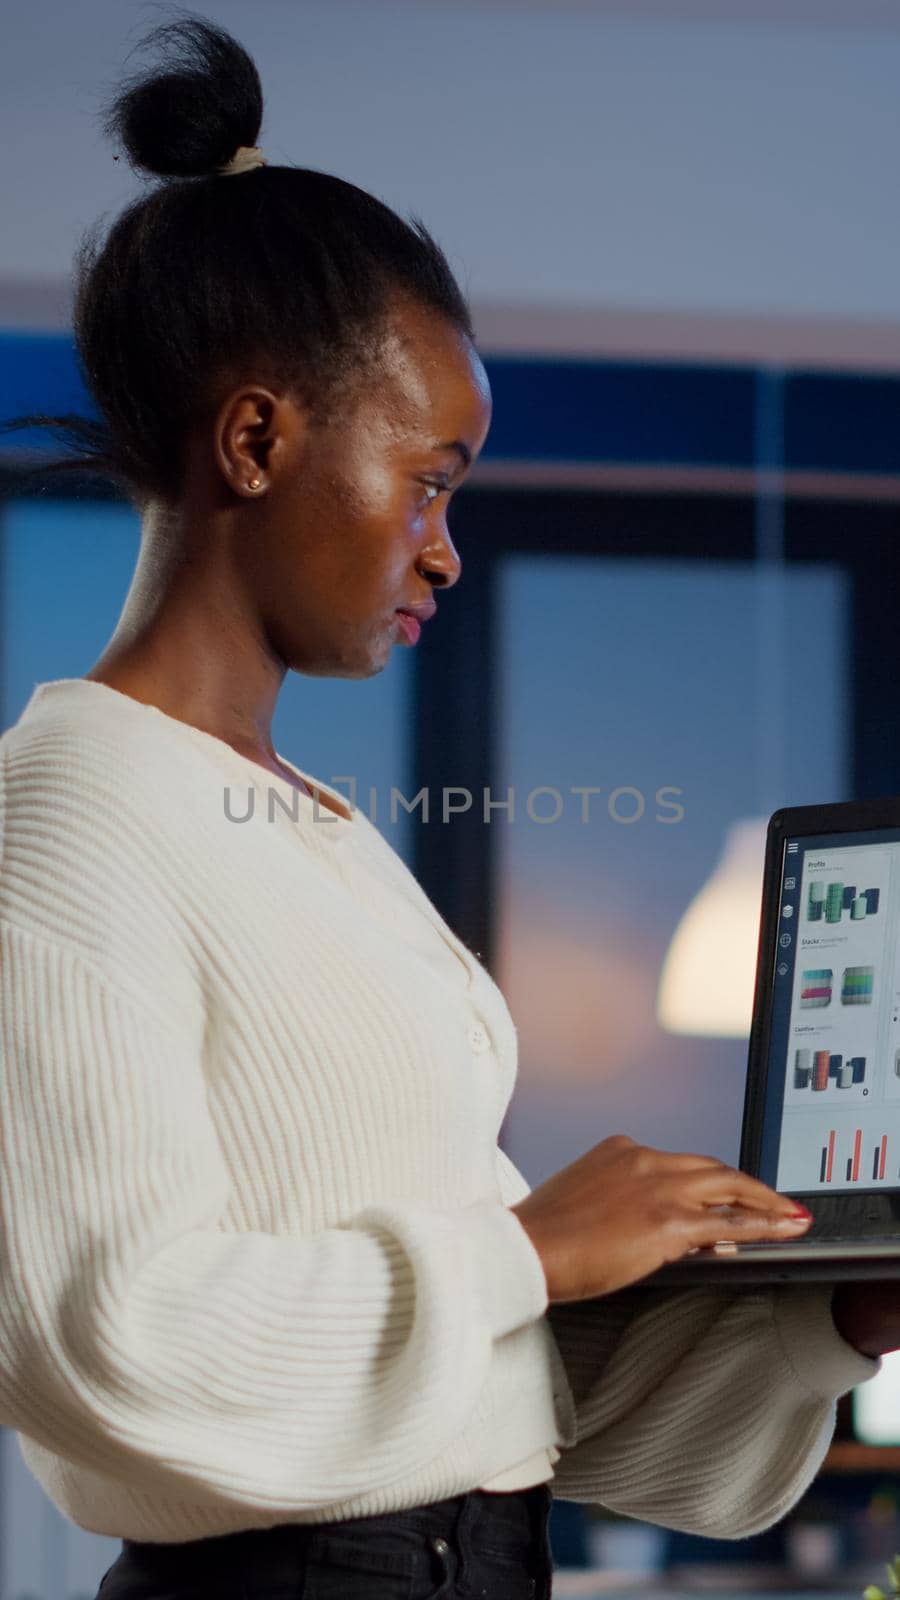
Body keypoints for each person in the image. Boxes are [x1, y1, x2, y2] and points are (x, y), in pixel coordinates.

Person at [0, 14, 896, 1600]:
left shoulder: (319, 834)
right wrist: (535, 1246)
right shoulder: (68, 811)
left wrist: (834, 1310)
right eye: (430, 478)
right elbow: (109, 1342)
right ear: (259, 440)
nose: (443, 547)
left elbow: (505, 1400)